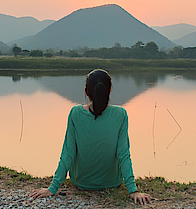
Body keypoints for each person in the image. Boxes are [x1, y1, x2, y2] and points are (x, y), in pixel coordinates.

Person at [29, 69, 151, 205]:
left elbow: (68, 153)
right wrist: (133, 190)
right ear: (109, 91)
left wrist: (53, 188)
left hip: (81, 182)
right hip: (112, 182)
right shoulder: (120, 114)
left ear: (86, 92)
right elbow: (123, 154)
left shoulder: (75, 113)